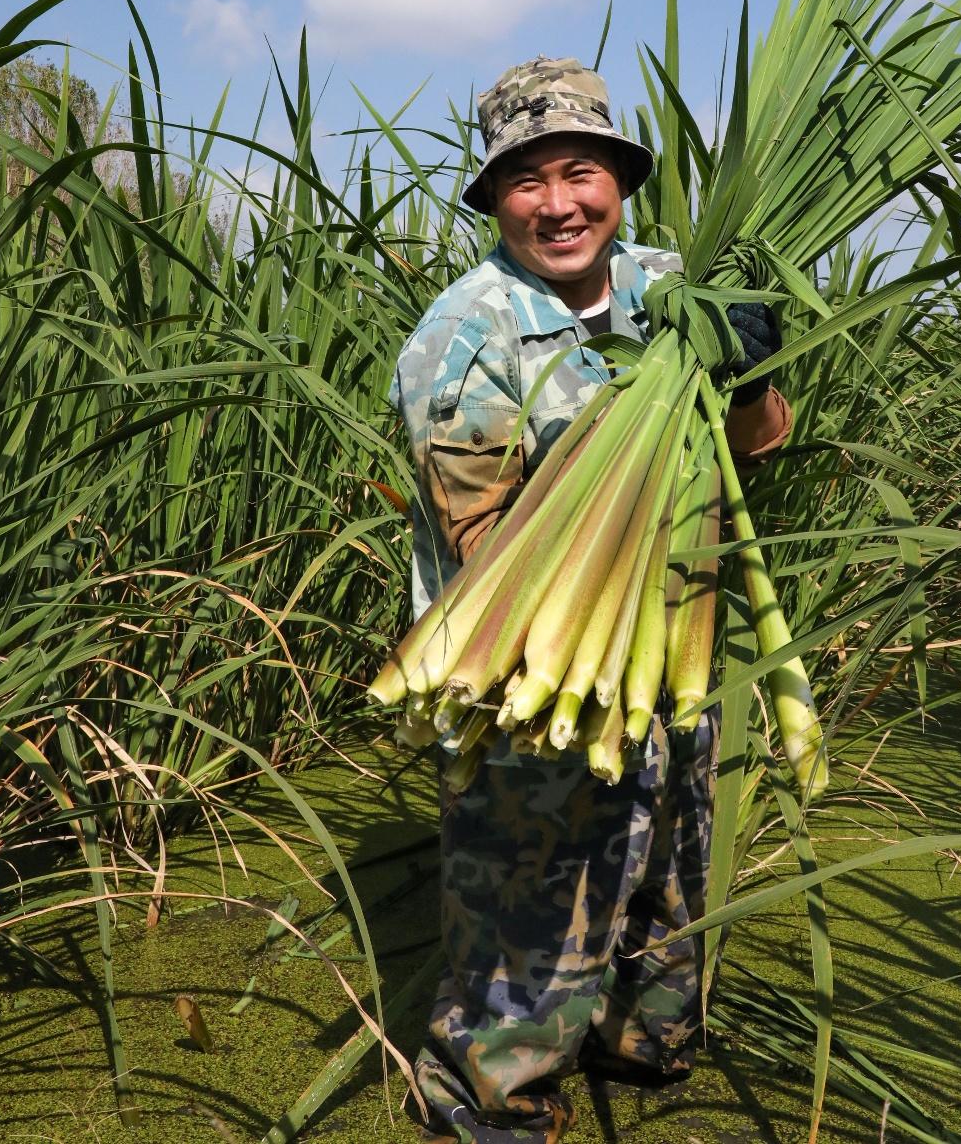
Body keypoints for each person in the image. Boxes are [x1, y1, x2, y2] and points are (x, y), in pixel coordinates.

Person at [388, 56, 791, 1144]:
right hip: (535, 662)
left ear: (619, 179)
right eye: (527, 181)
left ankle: (638, 1042)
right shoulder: (463, 339)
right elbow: (486, 546)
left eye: (580, 171)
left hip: (674, 642)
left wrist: (749, 375)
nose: (558, 204)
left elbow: (758, 447)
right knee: (532, 904)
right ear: (494, 198)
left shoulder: (673, 284)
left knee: (666, 868)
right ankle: (488, 1098)